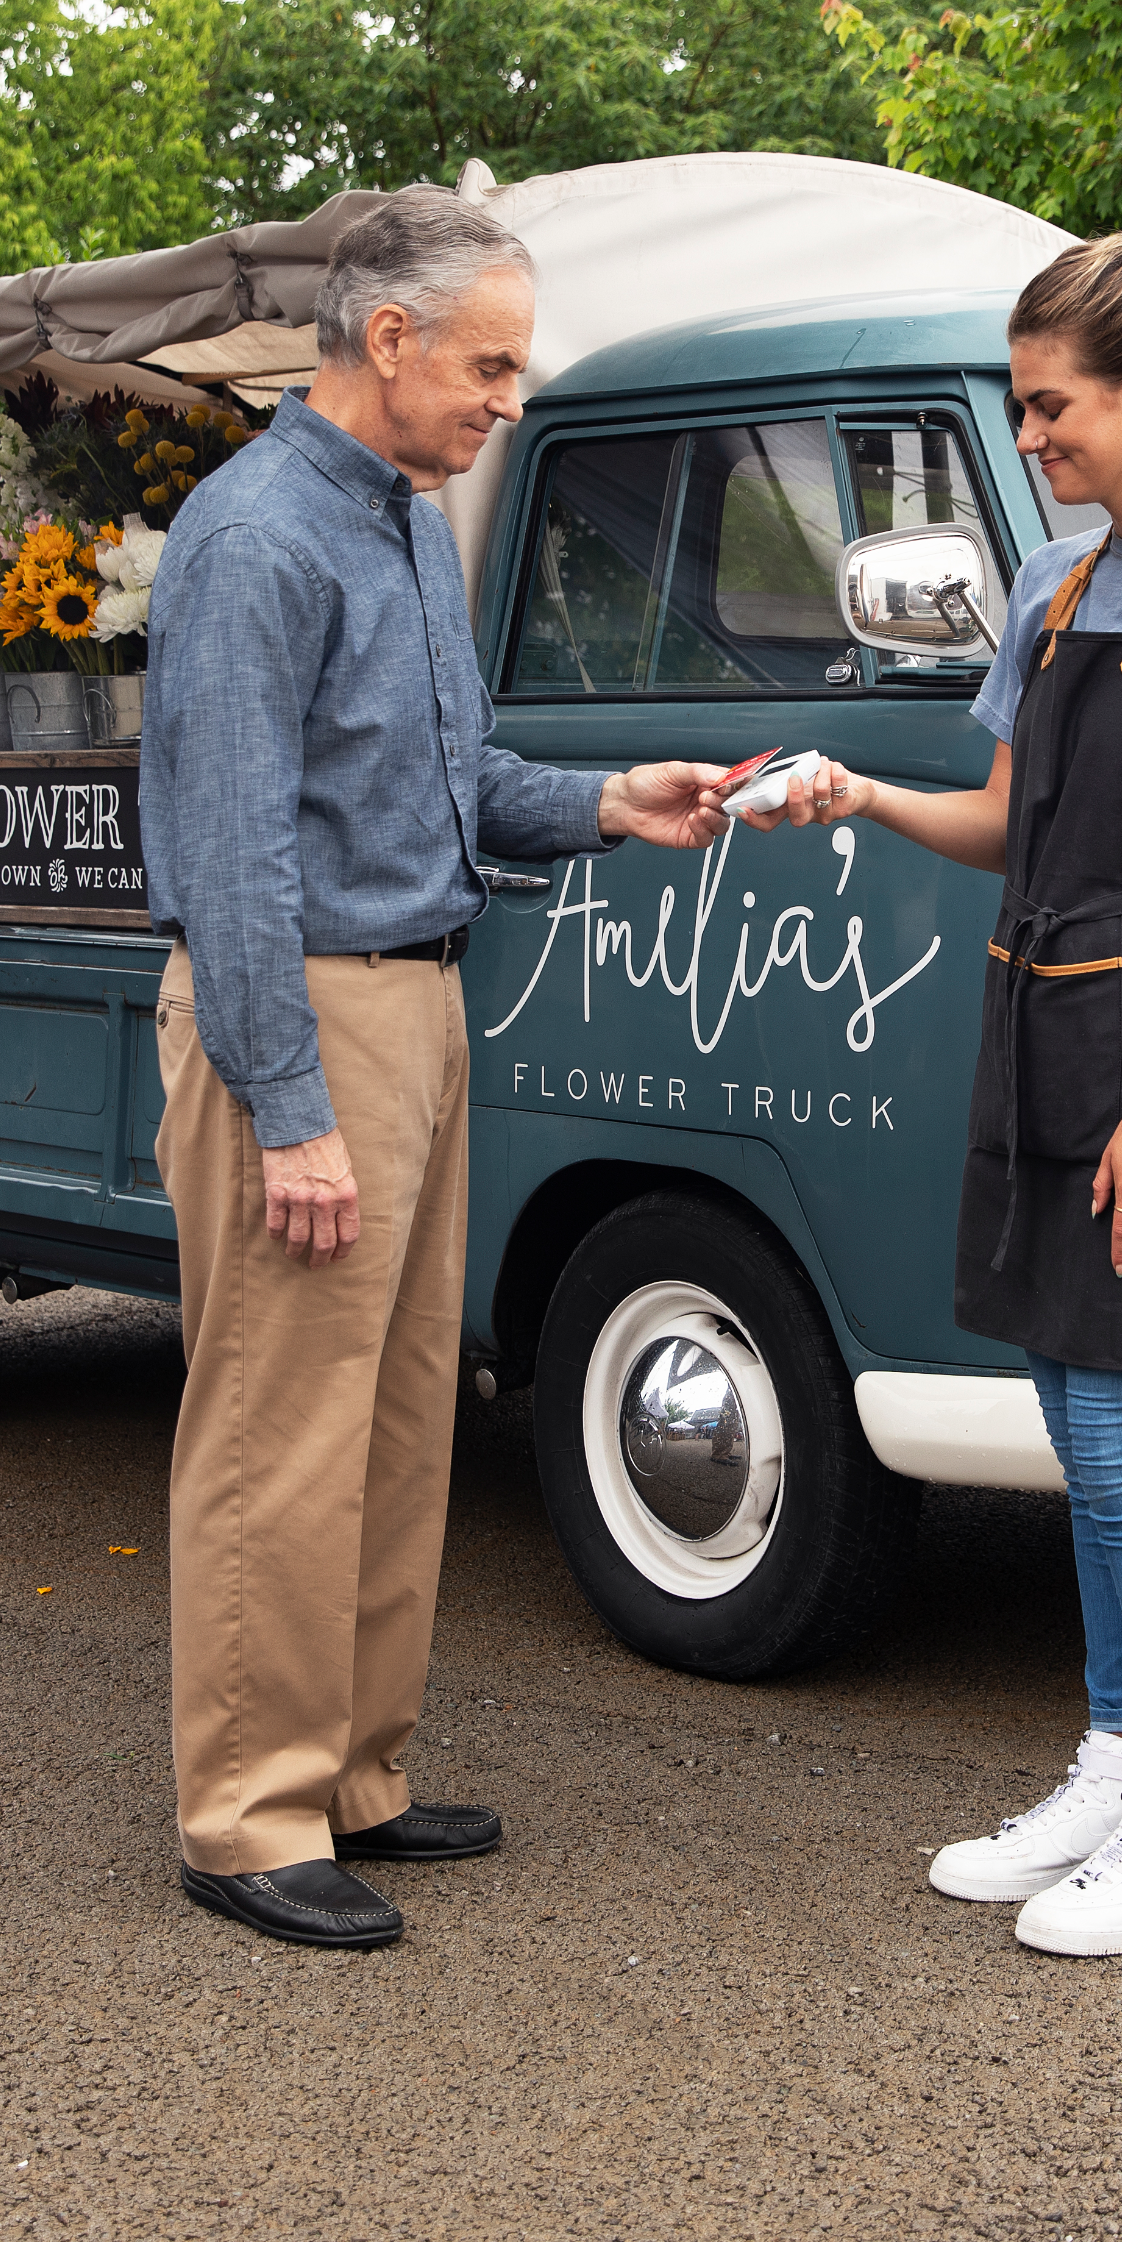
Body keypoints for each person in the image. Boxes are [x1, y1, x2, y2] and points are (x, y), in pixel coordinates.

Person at [145, 186, 737, 1953]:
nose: (506, 394)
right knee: (279, 1432)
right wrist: (290, 1109)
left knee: (400, 1428)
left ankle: (354, 1778)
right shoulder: (255, 540)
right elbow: (238, 849)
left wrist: (614, 805)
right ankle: (246, 1818)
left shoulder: (410, 526)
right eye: (487, 362)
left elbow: (452, 787)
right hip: (301, 1015)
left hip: (416, 1005)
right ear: (385, 341)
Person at [756, 234, 1122, 1957]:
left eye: (1051, 405)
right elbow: (1009, 820)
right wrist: (858, 791)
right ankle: (1120, 1753)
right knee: (1081, 1437)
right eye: (1023, 408)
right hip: (1042, 1024)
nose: (1032, 439)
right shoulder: (1063, 588)